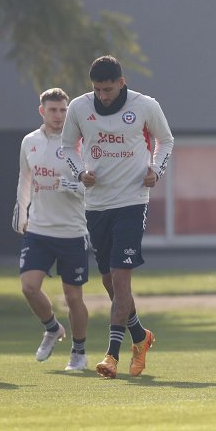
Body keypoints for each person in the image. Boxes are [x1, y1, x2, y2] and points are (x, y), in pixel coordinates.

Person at [62, 55, 174, 379]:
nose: (103, 96)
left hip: (132, 200)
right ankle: (140, 337)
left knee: (121, 276)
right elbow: (68, 146)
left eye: (108, 89)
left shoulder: (145, 105)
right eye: (97, 89)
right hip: (96, 203)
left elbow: (166, 141)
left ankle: (111, 355)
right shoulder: (79, 108)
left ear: (121, 82)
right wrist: (79, 171)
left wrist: (156, 169)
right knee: (109, 280)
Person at [13, 88, 90, 372]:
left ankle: (79, 352)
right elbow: (25, 178)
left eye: (63, 110)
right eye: (53, 110)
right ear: (42, 111)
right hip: (39, 230)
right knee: (29, 287)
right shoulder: (30, 141)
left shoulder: (80, 143)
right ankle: (52, 327)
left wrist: (70, 185)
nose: (58, 116)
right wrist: (21, 213)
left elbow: (93, 185)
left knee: (73, 298)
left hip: (72, 231)